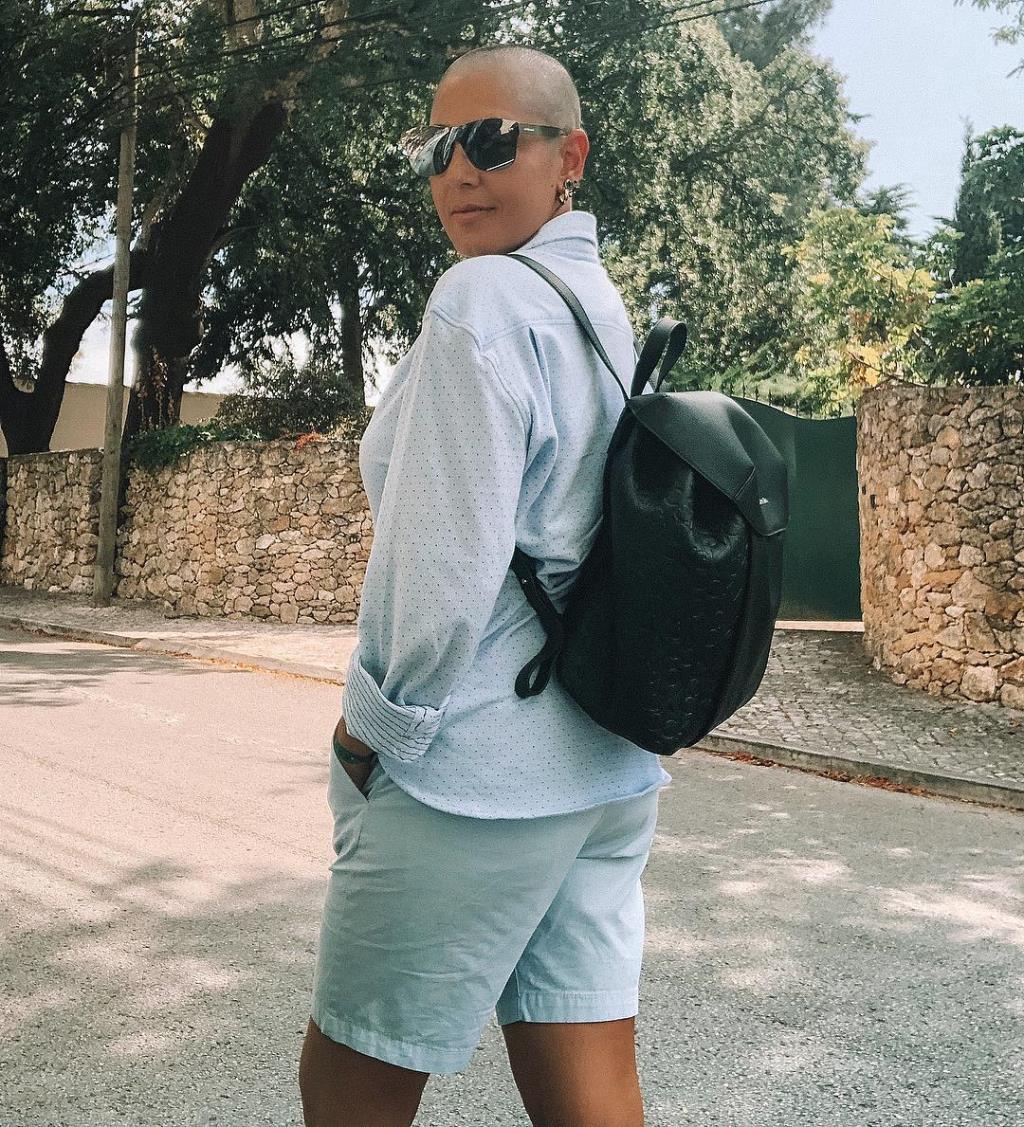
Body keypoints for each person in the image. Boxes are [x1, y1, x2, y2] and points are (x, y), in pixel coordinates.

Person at [299, 42, 673, 1127]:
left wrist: (372, 728)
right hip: (602, 761)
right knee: (588, 1089)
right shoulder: (594, 301)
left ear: (571, 158)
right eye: (438, 148)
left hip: (476, 773)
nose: (459, 170)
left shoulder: (483, 298)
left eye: (494, 140)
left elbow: (441, 564)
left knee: (350, 1084)